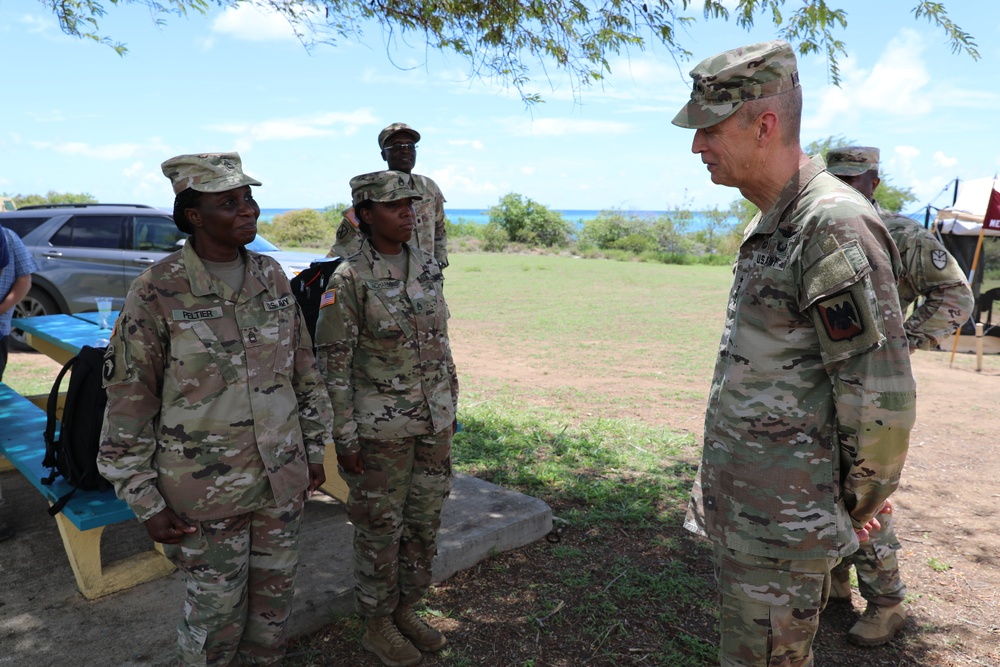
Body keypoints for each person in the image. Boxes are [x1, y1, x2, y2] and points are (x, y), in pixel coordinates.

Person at [672, 41, 917, 666]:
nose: (697, 146)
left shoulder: (830, 222)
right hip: (759, 510)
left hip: (789, 520)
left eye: (708, 128)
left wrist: (847, 510)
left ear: (765, 124)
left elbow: (880, 400)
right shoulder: (775, 218)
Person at [97, 152, 334, 665]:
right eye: (230, 202)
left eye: (248, 197)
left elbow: (304, 373)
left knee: (272, 611)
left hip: (281, 481)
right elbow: (130, 400)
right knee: (215, 618)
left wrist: (315, 451)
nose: (248, 209)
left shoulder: (272, 276)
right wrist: (144, 499)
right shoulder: (157, 290)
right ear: (194, 216)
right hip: (204, 494)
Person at [824, 145, 975, 645]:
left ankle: (886, 603)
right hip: (822, 385)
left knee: (867, 494)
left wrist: (906, 341)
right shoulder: (822, 226)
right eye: (838, 178)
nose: (848, 187)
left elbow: (956, 294)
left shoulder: (900, 233)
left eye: (856, 178)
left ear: (875, 181)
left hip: (874, 392)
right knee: (827, 486)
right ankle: (837, 580)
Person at [314, 170, 458, 667]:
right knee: (380, 527)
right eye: (396, 207)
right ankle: (377, 622)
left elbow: (441, 346)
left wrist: (450, 406)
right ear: (366, 214)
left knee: (424, 521)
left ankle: (407, 609)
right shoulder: (349, 278)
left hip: (433, 425)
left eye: (412, 206)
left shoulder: (425, 265)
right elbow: (332, 367)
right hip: (379, 434)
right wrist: (345, 437)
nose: (409, 214)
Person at [329, 123, 448, 269]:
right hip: (388, 282)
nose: (405, 151)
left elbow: (439, 229)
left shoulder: (428, 187)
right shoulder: (373, 190)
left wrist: (439, 264)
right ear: (384, 155)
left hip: (427, 279)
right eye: (397, 146)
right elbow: (342, 250)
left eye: (410, 146)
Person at [0, 219, 39, 542]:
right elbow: (24, 279)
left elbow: (24, 280)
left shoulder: (8, 237)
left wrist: (2, 309)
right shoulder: (7, 236)